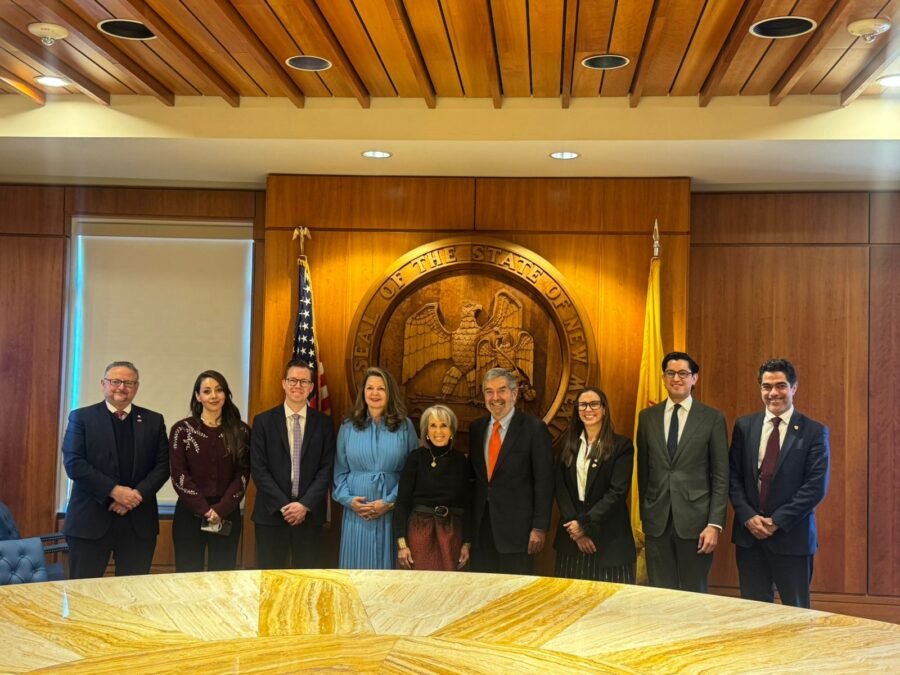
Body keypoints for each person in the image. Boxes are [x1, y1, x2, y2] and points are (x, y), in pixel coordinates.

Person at [729, 359, 830, 608]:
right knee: (753, 612)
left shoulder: (814, 431)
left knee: (796, 614)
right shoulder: (744, 426)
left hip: (792, 537)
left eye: (781, 385)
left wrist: (776, 521)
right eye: (767, 386)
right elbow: (733, 477)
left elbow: (815, 487)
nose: (773, 393)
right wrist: (748, 517)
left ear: (793, 388)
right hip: (750, 538)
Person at [62, 361, 169, 578]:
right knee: (84, 592)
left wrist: (136, 496)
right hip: (90, 521)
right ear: (103, 384)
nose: (121, 387)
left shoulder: (153, 421)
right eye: (115, 381)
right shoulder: (81, 418)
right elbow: (74, 463)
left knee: (133, 593)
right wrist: (115, 491)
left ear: (136, 387)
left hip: (138, 523)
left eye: (129, 383)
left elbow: (163, 465)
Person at [636, 351, 728, 593]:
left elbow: (721, 476)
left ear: (694, 378)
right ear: (663, 378)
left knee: (693, 594)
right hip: (657, 523)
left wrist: (714, 524)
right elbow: (644, 472)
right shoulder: (647, 418)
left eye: (683, 373)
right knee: (659, 594)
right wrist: (647, 513)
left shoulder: (712, 418)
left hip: (697, 524)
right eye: (670, 373)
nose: (676, 378)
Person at [251, 359, 335, 569]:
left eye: (304, 381)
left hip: (309, 516)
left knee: (307, 580)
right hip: (271, 514)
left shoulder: (324, 424)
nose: (298, 386)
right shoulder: (263, 422)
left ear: (312, 387)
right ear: (284, 383)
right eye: (293, 380)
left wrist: (304, 505)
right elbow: (259, 470)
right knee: (271, 580)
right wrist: (284, 506)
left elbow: (326, 469)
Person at [469, 367, 554, 575]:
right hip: (482, 531)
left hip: (518, 533)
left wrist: (539, 527)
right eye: (489, 391)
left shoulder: (534, 429)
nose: (495, 397)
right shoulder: (476, 428)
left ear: (514, 394)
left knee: (515, 591)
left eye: (502, 390)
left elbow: (544, 482)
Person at [333, 366, 417, 569]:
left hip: (391, 513)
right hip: (356, 515)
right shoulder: (348, 426)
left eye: (381, 388)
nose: (375, 393)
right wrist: (349, 501)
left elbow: (413, 472)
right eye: (370, 388)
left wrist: (389, 502)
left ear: (390, 393)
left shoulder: (405, 426)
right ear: (363, 392)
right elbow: (339, 472)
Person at [169, 370, 250, 572]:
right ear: (198, 396)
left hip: (227, 513)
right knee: (188, 575)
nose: (214, 396)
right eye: (207, 391)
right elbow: (179, 474)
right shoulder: (182, 430)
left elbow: (242, 474)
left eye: (219, 390)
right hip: (189, 513)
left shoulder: (241, 431)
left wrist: (220, 510)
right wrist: (205, 510)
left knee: (222, 574)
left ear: (226, 394)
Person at [554, 387, 636, 582]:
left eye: (594, 404)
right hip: (571, 540)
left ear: (604, 409)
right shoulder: (566, 444)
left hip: (609, 541)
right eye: (583, 405)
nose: (588, 409)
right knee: (570, 597)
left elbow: (617, 493)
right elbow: (560, 488)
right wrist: (577, 531)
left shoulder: (621, 446)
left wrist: (585, 525)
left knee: (609, 598)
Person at [395, 404, 473, 571]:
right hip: (420, 531)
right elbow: (402, 503)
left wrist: (467, 543)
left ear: (452, 431)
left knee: (449, 584)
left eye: (444, 425)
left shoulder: (461, 461)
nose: (438, 431)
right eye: (433, 425)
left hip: (452, 532)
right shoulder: (415, 458)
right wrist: (402, 544)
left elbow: (468, 505)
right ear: (426, 431)